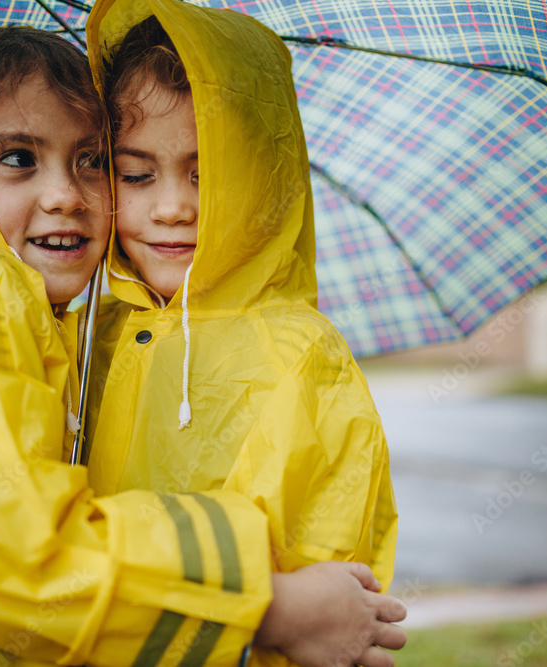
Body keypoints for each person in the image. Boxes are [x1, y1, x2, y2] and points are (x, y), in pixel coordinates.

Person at [0, 25, 404, 667]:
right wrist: (269, 606)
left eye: (92, 161)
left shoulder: (79, 325)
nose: (65, 195)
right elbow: (14, 550)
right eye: (17, 158)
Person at [84, 1, 403, 665]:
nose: (172, 207)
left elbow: (327, 584)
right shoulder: (92, 331)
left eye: (210, 175)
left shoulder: (301, 356)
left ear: (263, 175)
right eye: (136, 173)